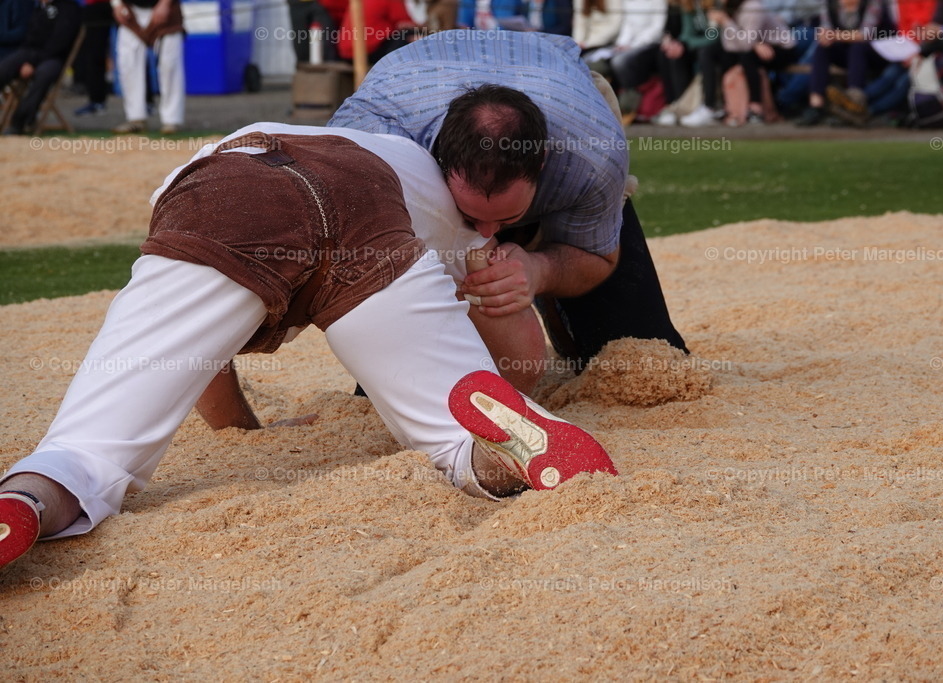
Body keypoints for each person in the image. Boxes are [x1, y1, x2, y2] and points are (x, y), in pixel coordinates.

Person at [0, 123, 618, 571]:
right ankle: (489, 453)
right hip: (364, 202)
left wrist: (241, 428)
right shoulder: (425, 185)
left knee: (87, 448)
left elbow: (201, 356)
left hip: (227, 192)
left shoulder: (199, 174)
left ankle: (28, 499)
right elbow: (521, 352)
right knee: (451, 434)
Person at [328, 30, 691, 372]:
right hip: (407, 101)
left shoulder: (593, 155)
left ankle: (554, 293)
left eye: (507, 217)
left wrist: (539, 270)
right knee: (408, 367)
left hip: (563, 82)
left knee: (641, 359)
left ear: (544, 161)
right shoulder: (369, 146)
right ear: (437, 163)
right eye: (470, 216)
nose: (488, 233)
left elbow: (598, 255)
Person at [681, 0, 799, 126]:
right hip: (755, 46)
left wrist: (726, 22)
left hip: (780, 47)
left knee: (747, 57)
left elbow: (745, 44)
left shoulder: (753, 7)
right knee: (710, 52)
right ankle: (713, 107)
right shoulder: (729, 9)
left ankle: (756, 109)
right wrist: (753, 44)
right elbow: (730, 46)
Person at [796, 0, 892, 126]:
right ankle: (816, 104)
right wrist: (826, 37)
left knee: (857, 47)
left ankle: (854, 100)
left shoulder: (873, 3)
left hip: (877, 52)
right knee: (821, 49)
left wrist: (834, 36)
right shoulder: (830, 4)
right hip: (846, 52)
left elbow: (864, 35)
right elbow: (824, 31)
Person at [0, 0, 81, 135]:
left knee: (44, 74)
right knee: (4, 68)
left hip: (53, 57)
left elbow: (60, 42)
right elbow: (29, 36)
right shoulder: (40, 8)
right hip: (29, 53)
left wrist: (33, 63)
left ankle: (19, 122)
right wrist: (25, 61)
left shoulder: (68, 9)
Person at [110, 0, 184, 134]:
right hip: (130, 9)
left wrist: (165, 3)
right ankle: (135, 118)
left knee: (169, 65)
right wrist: (116, 4)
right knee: (128, 64)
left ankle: (171, 120)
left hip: (165, 9)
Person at [72, 0, 113, 116]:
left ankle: (145, 101)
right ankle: (97, 101)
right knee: (93, 55)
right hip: (93, 6)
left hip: (121, 5)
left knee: (135, 49)